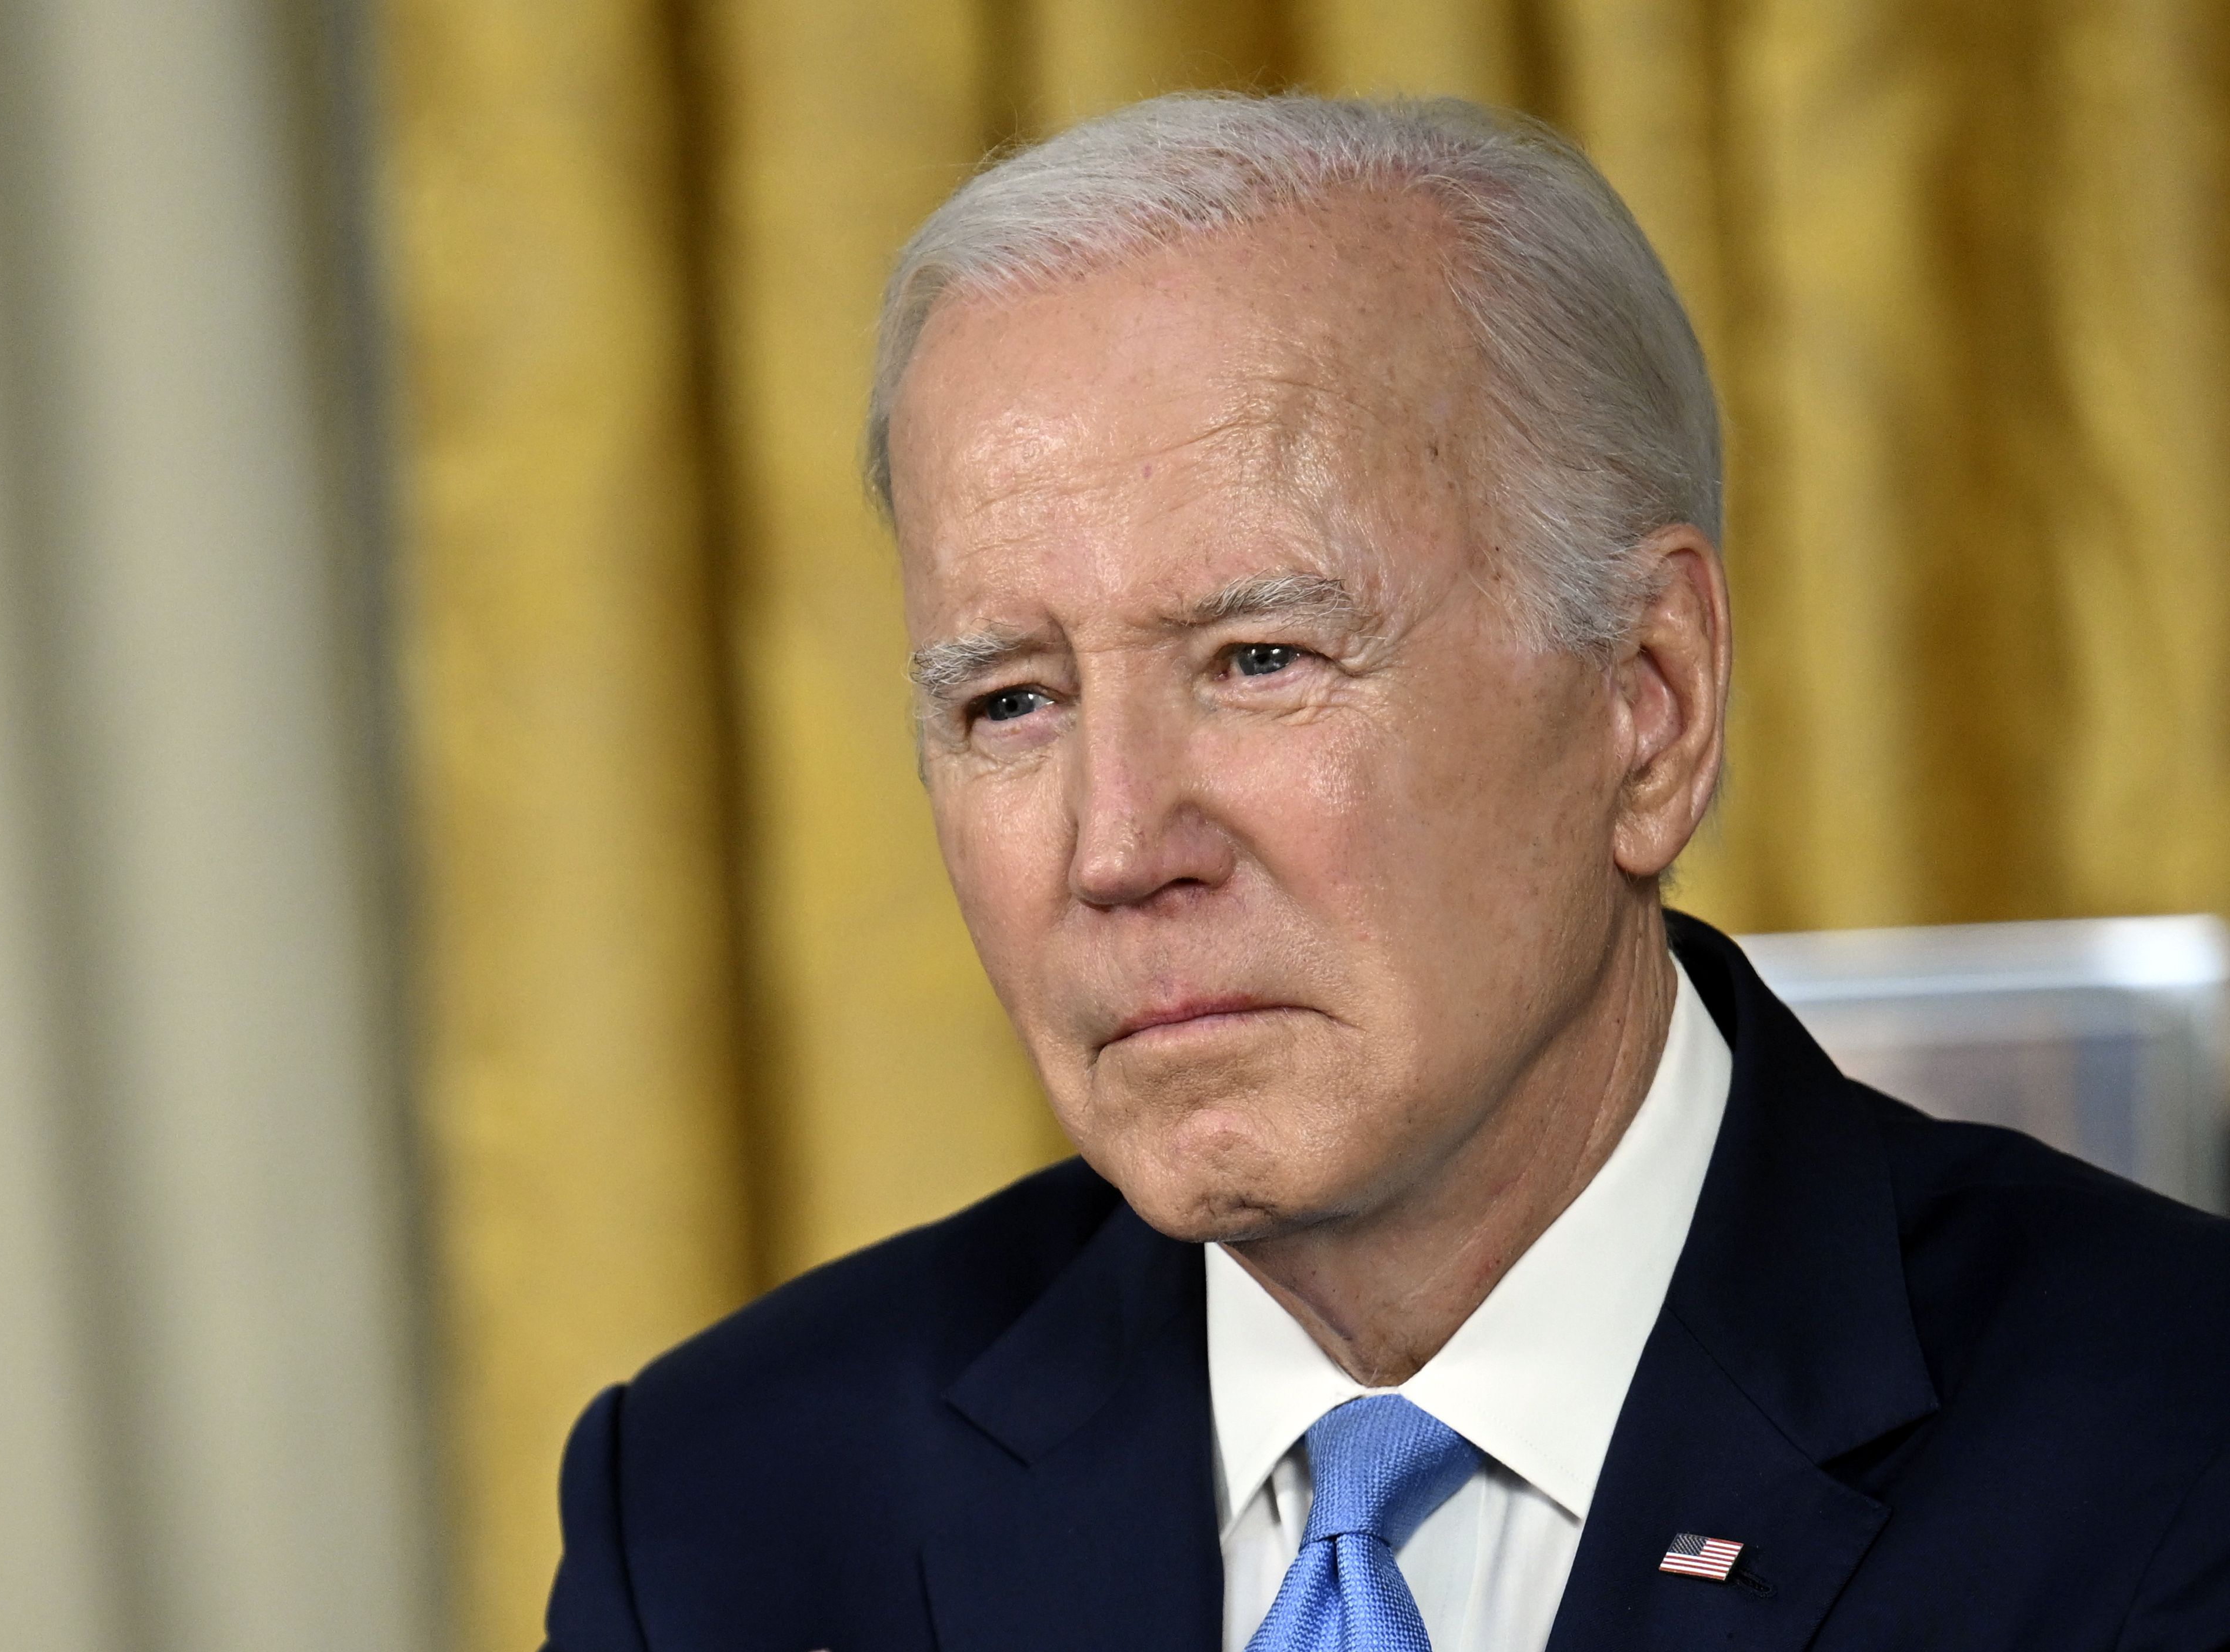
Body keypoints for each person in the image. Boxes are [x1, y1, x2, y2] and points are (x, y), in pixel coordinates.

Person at [542, 94, 2230, 1652]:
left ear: (1648, 705)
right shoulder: (719, 1516)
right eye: (1013, 700)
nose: (1119, 847)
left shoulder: (2174, 1455)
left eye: (1261, 658)